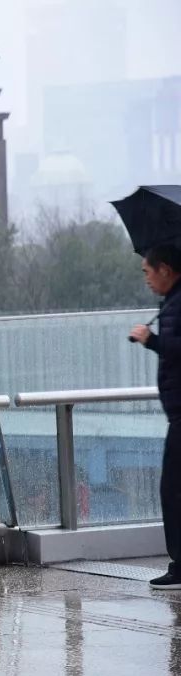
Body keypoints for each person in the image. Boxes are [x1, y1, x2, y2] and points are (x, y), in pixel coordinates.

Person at [130, 243, 181, 590]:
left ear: (165, 268)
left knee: (173, 490)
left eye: (148, 271)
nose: (146, 278)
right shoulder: (173, 303)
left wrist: (151, 340)